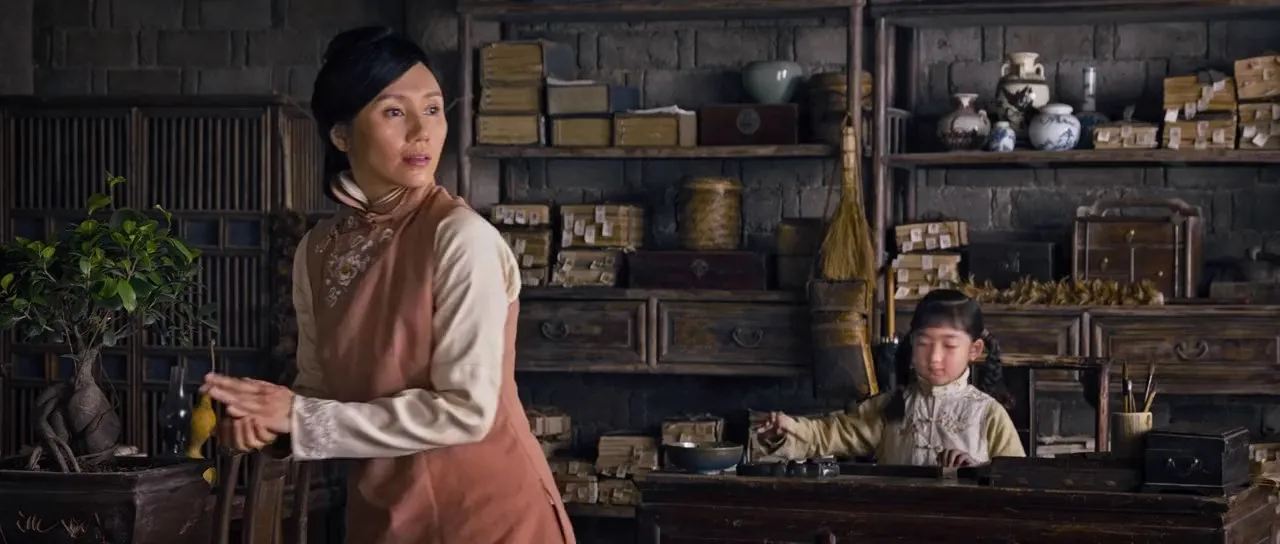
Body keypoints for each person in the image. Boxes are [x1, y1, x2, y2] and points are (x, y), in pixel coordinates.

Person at [198, 26, 574, 544]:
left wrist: (299, 418)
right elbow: (320, 390)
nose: (423, 131)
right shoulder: (317, 250)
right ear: (341, 135)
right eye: (395, 111)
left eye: (434, 109)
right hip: (384, 517)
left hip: (488, 516)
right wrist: (268, 422)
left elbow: (467, 411)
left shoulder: (460, 238)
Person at [756, 289, 1026, 467]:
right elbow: (830, 434)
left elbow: (1018, 480)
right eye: (924, 343)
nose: (934, 357)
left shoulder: (988, 414)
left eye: (949, 345)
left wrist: (978, 470)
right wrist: (789, 429)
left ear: (974, 350)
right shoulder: (894, 406)